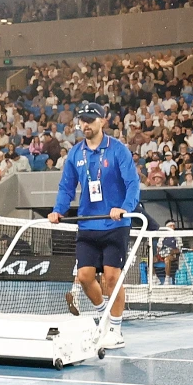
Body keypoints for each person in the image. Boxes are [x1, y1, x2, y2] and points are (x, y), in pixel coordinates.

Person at [49, 101, 140, 348]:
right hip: (88, 225)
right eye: (82, 120)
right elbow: (66, 187)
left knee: (112, 277)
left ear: (103, 121)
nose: (85, 124)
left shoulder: (118, 150)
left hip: (115, 225)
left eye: (90, 119)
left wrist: (124, 208)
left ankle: (116, 330)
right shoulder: (76, 154)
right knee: (85, 277)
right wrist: (58, 210)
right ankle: (104, 315)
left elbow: (133, 183)